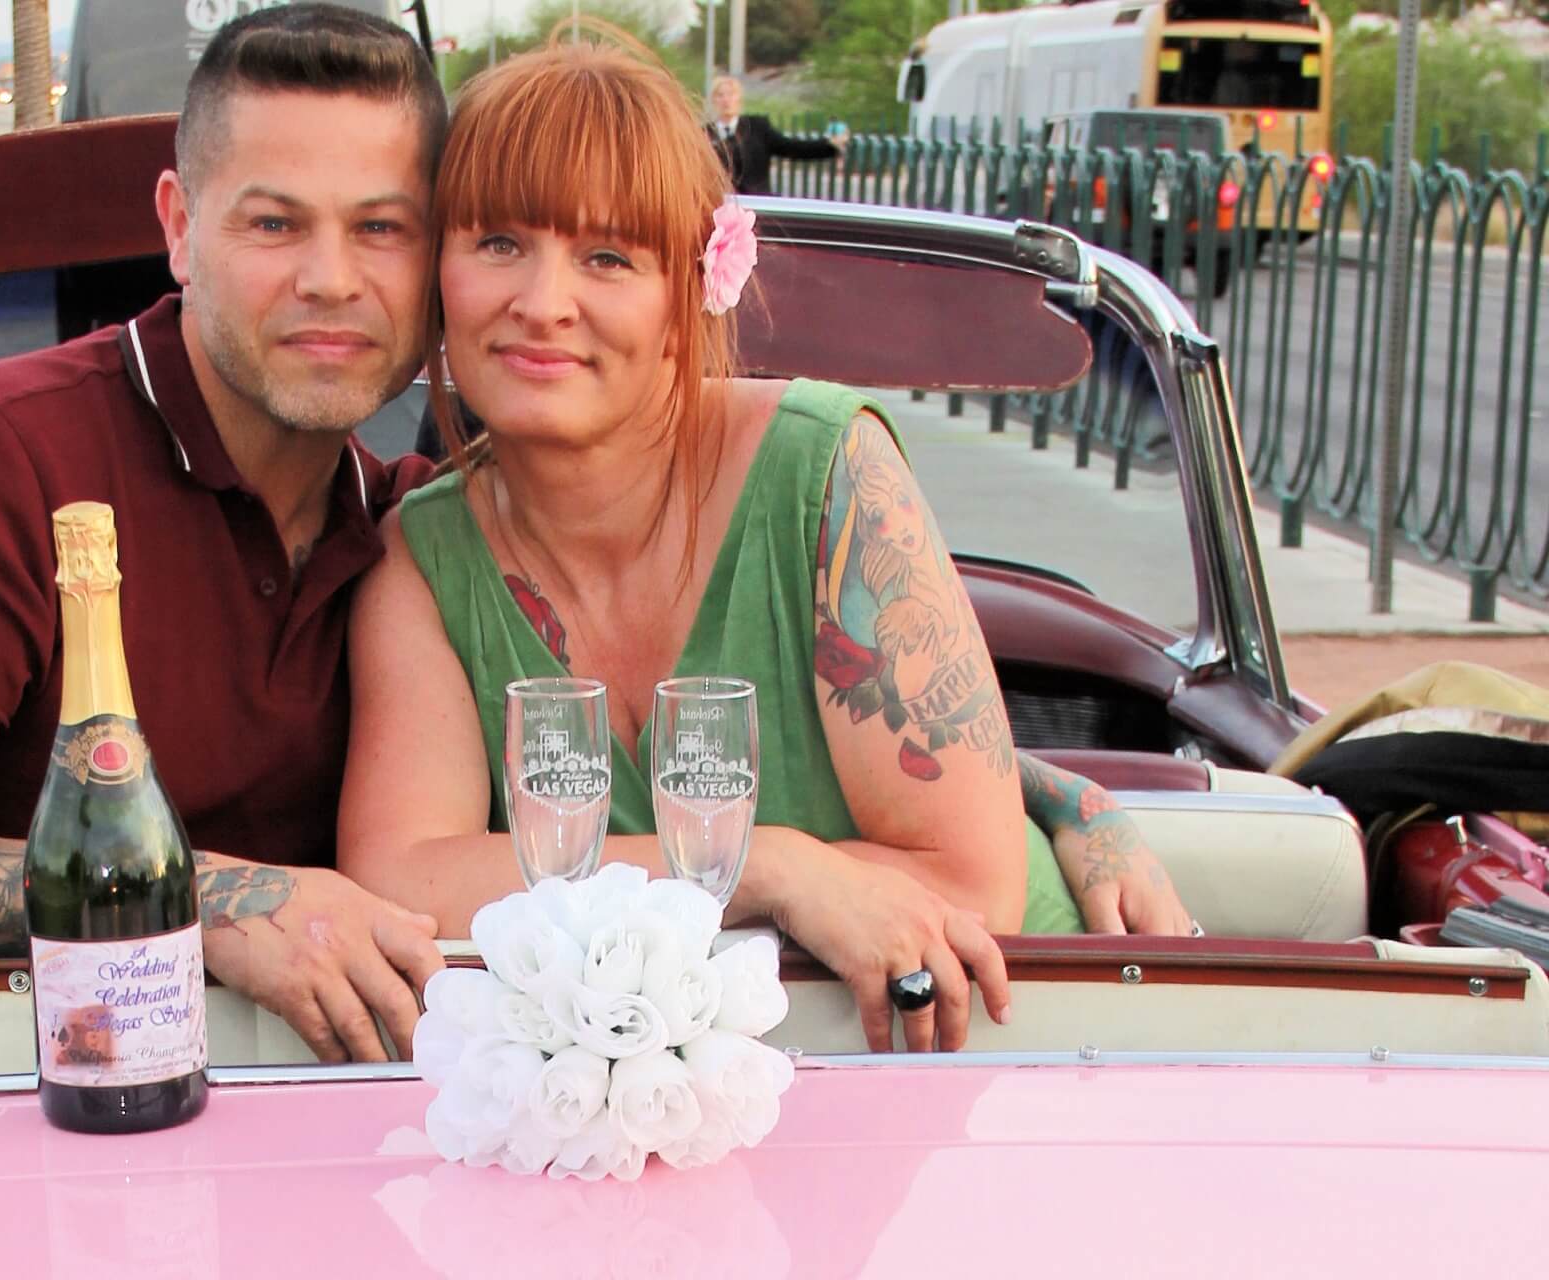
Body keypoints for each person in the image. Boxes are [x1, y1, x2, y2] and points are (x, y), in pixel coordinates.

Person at [337, 28, 1196, 1056]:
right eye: (499, 242)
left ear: (684, 292)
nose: (542, 301)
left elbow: (974, 887)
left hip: (997, 1043)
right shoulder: (422, 559)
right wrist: (765, 868)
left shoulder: (825, 474)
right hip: (637, 1098)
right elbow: (401, 878)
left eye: (607, 255)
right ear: (442, 273)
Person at [0, 4, 451, 1066]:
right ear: (178, 225)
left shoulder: (414, 524)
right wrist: (213, 897)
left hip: (318, 1131)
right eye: (273, 224)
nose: (331, 279)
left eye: (382, 228)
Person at [705, 75, 843, 196]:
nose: (726, 100)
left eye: (731, 94)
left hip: (758, 203)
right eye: (720, 95)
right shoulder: (704, 134)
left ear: (739, 98)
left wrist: (829, 146)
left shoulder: (757, 128)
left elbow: (791, 147)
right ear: (713, 99)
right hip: (720, 203)